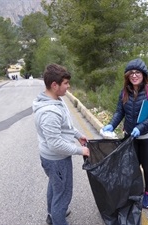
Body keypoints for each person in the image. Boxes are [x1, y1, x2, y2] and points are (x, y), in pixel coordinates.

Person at [32, 63, 90, 225]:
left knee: (55, 186)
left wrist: (77, 135)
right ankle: (57, 216)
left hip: (53, 159)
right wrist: (81, 150)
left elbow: (65, 126)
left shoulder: (55, 99)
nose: (68, 86)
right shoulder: (50, 112)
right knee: (62, 195)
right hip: (56, 160)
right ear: (54, 85)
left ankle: (52, 213)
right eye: (65, 83)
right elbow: (56, 144)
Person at [102, 58, 148, 209]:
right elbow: (119, 112)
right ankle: (134, 191)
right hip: (130, 137)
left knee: (147, 167)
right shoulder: (124, 92)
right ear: (127, 76)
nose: (134, 75)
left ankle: (147, 194)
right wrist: (111, 124)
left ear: (143, 74)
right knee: (131, 166)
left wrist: (141, 128)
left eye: (137, 72)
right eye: (131, 73)